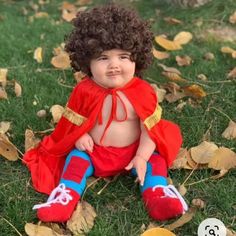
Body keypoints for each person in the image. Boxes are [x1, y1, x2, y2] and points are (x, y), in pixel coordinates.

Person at [23, 4, 188, 223]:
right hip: (95, 152)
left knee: (155, 161)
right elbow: (73, 123)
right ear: (86, 61)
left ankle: (156, 194)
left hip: (132, 152)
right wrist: (80, 136)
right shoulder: (84, 91)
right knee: (75, 159)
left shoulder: (142, 92)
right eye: (103, 58)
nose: (114, 65)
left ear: (137, 58)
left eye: (123, 57)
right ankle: (66, 197)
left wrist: (141, 156)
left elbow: (150, 131)